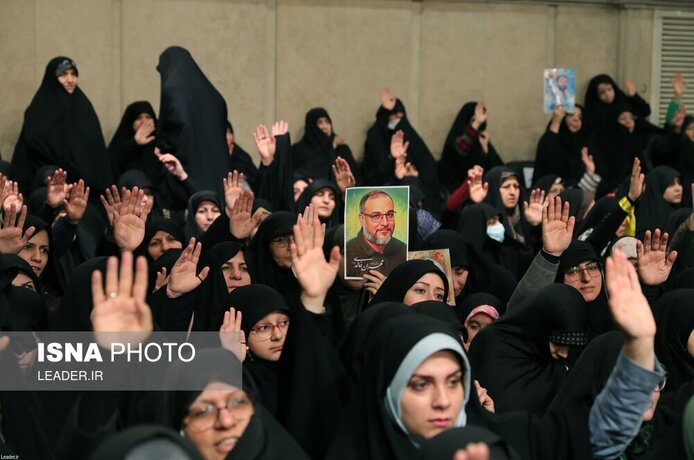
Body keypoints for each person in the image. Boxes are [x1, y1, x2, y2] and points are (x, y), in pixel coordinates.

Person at [12, 56, 114, 196]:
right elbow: (30, 153)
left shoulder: (84, 108)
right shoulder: (39, 111)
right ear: (52, 78)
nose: (70, 79)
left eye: (73, 74)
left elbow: (95, 151)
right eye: (63, 74)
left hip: (88, 189)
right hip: (47, 187)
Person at [345, 190, 407, 278]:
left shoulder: (403, 250)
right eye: (376, 216)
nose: (385, 223)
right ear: (362, 219)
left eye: (389, 214)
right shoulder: (347, 253)